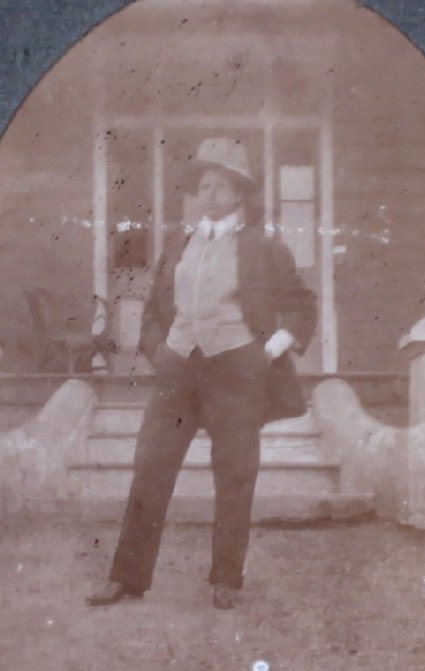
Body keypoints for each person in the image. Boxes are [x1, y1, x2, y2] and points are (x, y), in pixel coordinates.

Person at [87, 137, 317, 610]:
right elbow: (152, 310)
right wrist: (160, 353)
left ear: (239, 194)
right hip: (177, 370)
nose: (209, 194)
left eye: (221, 185)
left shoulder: (262, 247)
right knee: (150, 469)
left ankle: (226, 579)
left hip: (237, 371)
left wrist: (266, 352)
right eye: (203, 185)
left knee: (234, 475)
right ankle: (127, 577)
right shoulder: (179, 244)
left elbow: (300, 305)